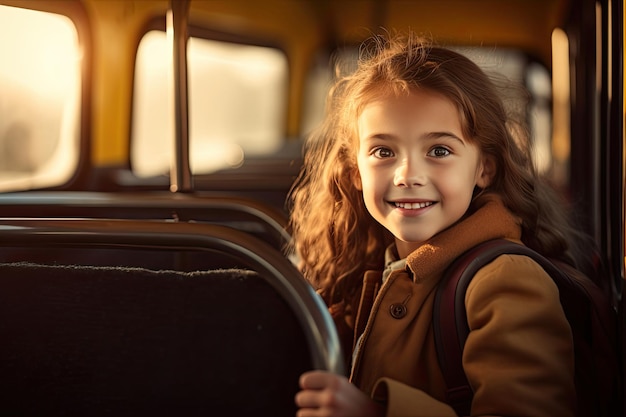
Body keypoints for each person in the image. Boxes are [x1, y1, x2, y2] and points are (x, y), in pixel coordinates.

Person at [287, 31, 590, 416]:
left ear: (484, 168)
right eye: (383, 151)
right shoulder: (362, 267)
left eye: (439, 150)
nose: (407, 174)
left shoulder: (506, 280)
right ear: (354, 173)